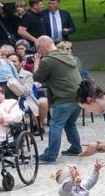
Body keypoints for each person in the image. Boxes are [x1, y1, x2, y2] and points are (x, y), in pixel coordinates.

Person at [32, 37, 83, 165]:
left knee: (55, 125)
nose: (38, 51)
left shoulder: (48, 61)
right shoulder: (67, 55)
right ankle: (76, 148)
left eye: (38, 48)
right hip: (79, 96)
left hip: (64, 98)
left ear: (43, 46)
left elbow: (36, 77)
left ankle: (51, 155)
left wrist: (37, 62)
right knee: (70, 123)